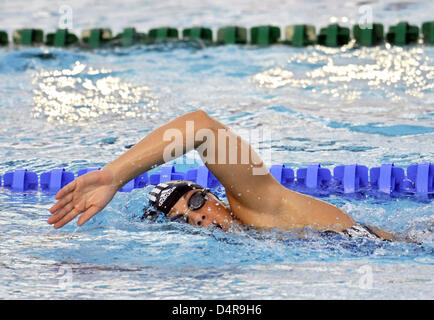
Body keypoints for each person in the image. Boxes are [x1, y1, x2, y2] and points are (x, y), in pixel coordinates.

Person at [48, 110, 397, 241]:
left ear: (213, 194)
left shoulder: (257, 205)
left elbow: (201, 127)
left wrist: (113, 176)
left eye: (196, 202)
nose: (197, 218)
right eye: (183, 221)